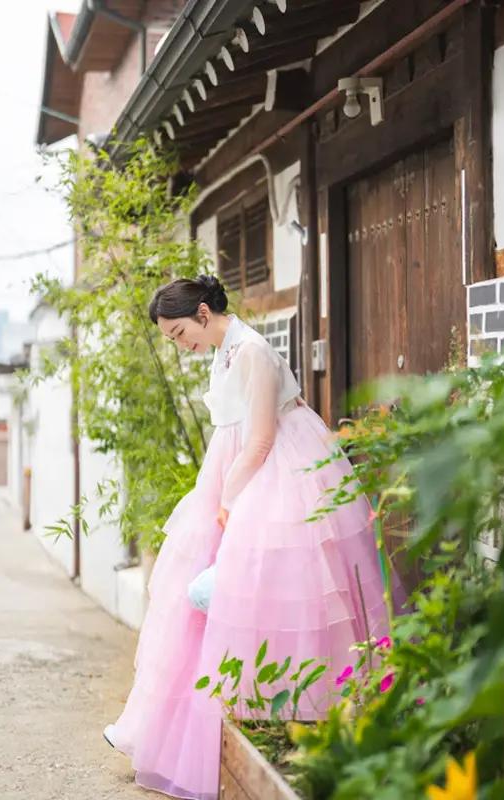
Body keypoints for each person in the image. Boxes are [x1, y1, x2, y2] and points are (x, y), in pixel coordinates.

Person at [103, 275, 403, 800]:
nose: (179, 345)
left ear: (202, 313)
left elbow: (262, 439)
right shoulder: (223, 352)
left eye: (179, 333)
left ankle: (301, 722)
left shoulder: (254, 352)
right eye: (171, 339)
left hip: (275, 474)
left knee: (278, 593)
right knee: (202, 601)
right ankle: (165, 731)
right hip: (236, 470)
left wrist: (229, 499)